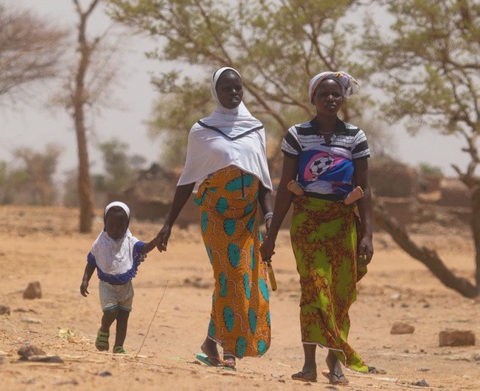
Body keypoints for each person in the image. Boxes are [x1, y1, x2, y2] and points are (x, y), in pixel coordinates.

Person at [260, 71, 374, 386]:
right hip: (308, 221)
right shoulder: (297, 135)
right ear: (313, 98)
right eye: (323, 94)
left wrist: (368, 234)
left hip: (342, 223)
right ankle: (309, 364)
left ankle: (334, 362)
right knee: (312, 289)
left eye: (335, 94)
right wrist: (270, 237)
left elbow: (365, 187)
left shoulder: (355, 136)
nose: (330, 99)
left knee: (339, 293)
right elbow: (285, 187)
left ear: (342, 98)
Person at [155, 67, 274, 369]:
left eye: (238, 88)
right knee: (231, 277)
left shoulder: (256, 128)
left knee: (239, 281)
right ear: (215, 92)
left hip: (248, 217)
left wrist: (270, 214)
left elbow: (262, 178)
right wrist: (168, 222)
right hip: (216, 216)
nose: (234, 93)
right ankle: (231, 351)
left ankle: (212, 341)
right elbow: (187, 179)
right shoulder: (202, 130)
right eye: (227, 88)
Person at [80, 201, 159, 354]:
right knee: (110, 312)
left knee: (123, 317)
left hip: (126, 287)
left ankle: (118, 346)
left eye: (120, 226)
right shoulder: (100, 244)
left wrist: (155, 242)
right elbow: (91, 262)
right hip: (107, 285)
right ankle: (104, 330)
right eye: (111, 225)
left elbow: (143, 248)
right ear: (105, 224)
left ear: (127, 225)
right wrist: (85, 280)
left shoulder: (130, 241)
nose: (116, 230)